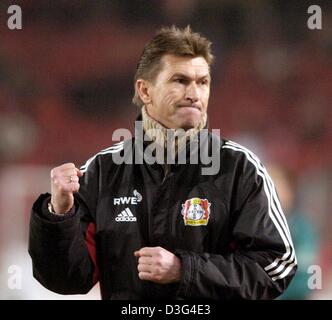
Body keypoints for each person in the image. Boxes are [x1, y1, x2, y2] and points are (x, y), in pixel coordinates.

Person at [29, 26, 297, 300]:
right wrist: (58, 214)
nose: (194, 93)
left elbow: (276, 267)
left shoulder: (240, 168)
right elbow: (67, 280)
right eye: (179, 80)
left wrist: (185, 270)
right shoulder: (102, 171)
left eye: (203, 82)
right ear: (145, 90)